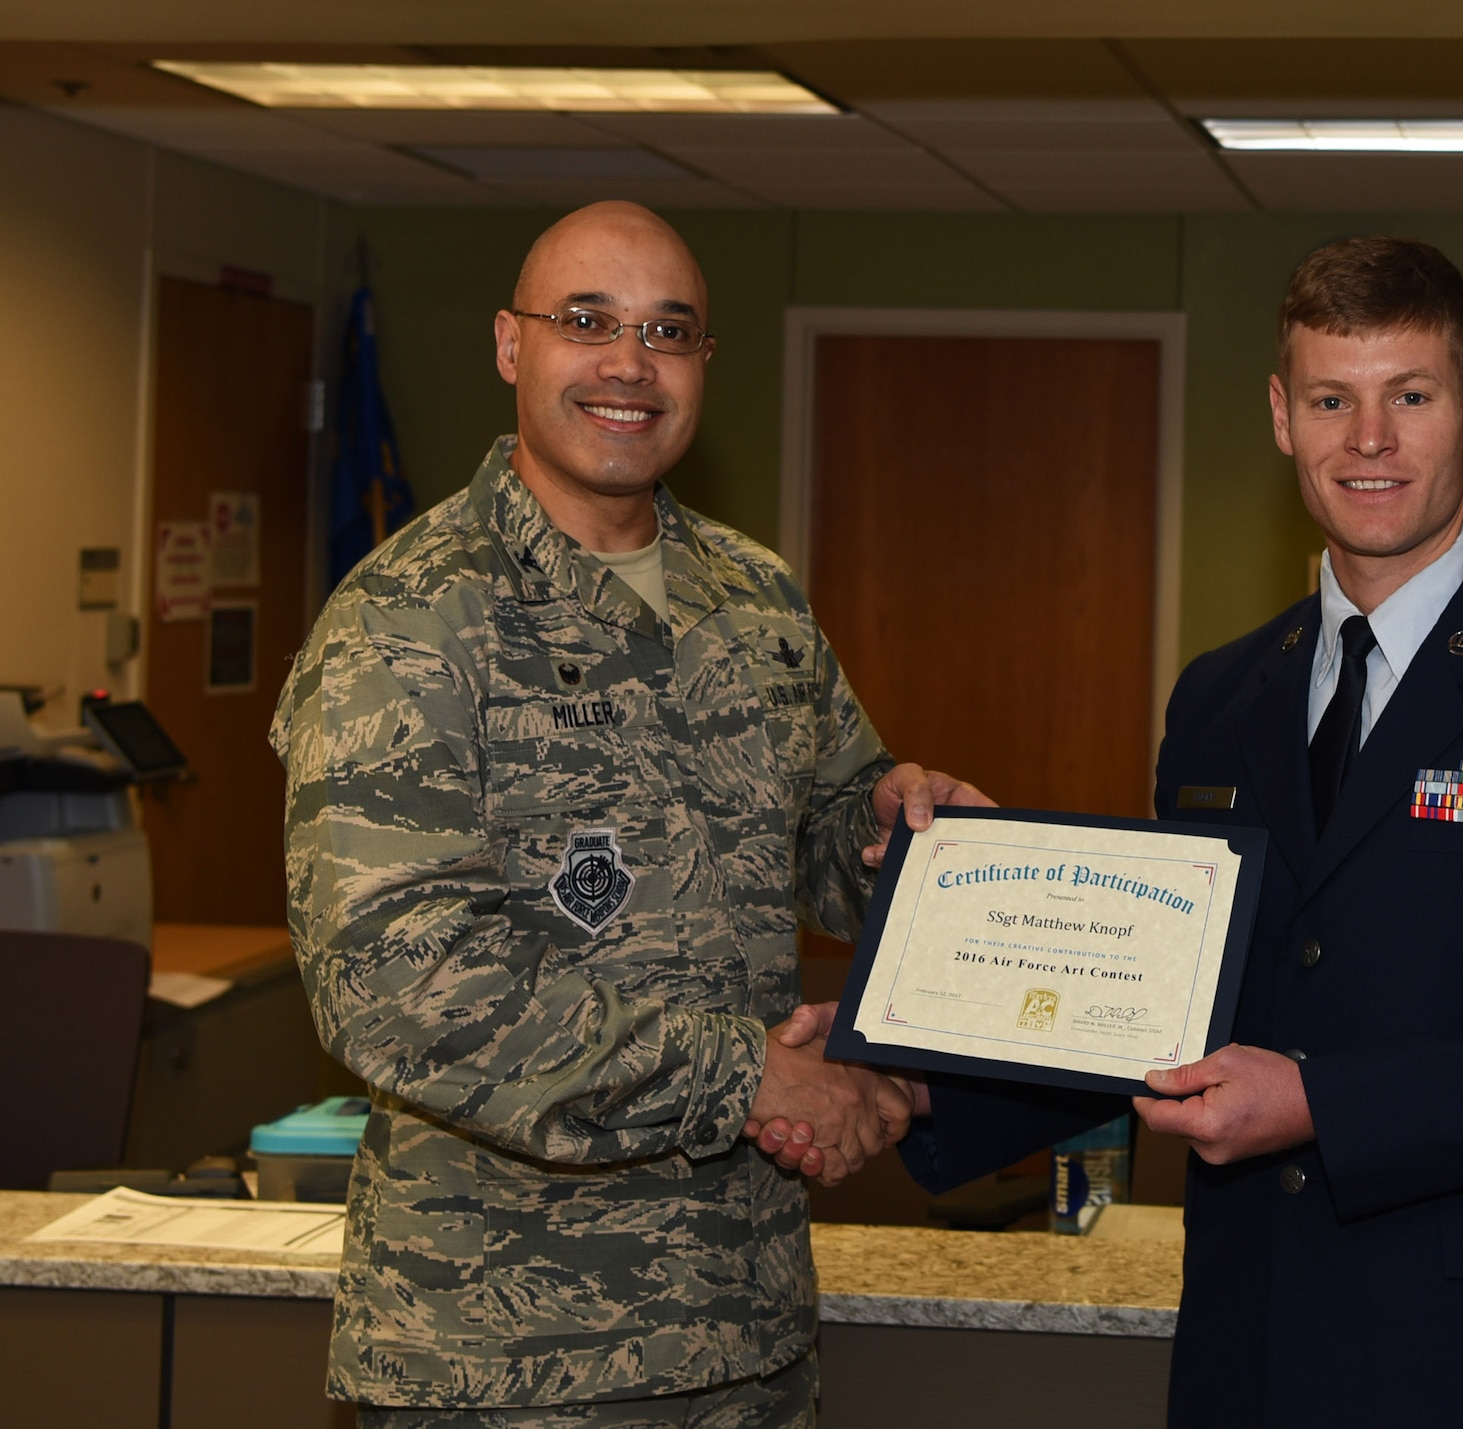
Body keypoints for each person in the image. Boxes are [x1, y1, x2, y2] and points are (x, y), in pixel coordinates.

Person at [759, 236, 1463, 1426]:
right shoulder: (1220, 698)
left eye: (1408, 397)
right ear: (1281, 416)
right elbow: (1170, 1009)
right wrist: (918, 1063)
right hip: (1253, 1341)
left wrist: (1324, 1101)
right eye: (1331, 398)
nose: (1366, 440)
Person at [272, 200, 982, 1427]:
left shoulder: (752, 596)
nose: (627, 363)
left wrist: (906, 838)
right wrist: (747, 1078)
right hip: (507, 1358)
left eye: (668, 330)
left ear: (704, 364)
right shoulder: (408, 620)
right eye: (585, 321)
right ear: (509, 346)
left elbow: (820, 845)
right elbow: (396, 984)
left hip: (744, 1327)